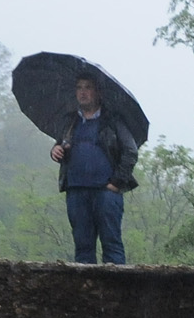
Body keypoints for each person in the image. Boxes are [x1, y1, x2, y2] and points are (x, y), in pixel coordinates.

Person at [49, 71, 137, 265]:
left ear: (98, 92)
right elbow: (59, 145)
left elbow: (130, 151)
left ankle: (114, 290)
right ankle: (86, 291)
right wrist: (55, 150)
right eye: (79, 87)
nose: (83, 92)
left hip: (106, 192)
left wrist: (116, 183)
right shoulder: (70, 121)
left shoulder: (112, 120)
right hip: (76, 191)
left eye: (88, 87)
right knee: (82, 247)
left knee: (111, 244)